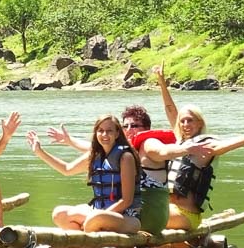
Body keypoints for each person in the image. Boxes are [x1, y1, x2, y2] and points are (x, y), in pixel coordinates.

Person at [46, 66, 213, 234]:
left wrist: (184, 149)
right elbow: (93, 150)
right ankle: (87, 243)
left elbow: (164, 151)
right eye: (125, 126)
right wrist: (68, 141)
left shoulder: (148, 145)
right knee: (61, 213)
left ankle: (97, 240)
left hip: (143, 213)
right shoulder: (117, 151)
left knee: (96, 218)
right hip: (116, 211)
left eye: (134, 126)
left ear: (146, 128)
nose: (129, 130)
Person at [27, 114, 141, 234]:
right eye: (100, 131)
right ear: (96, 133)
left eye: (109, 131)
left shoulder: (125, 157)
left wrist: (100, 215)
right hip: (98, 212)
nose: (104, 135)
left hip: (126, 218)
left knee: (95, 219)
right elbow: (67, 169)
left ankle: (92, 244)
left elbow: (127, 201)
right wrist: (40, 152)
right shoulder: (94, 156)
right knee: (59, 214)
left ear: (117, 134)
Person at [165, 106, 244, 231]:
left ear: (199, 123)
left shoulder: (206, 144)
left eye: (190, 120)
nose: (185, 124)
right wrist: (162, 86)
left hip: (185, 215)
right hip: (171, 211)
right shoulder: (181, 144)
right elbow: (171, 111)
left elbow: (223, 146)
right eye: (182, 121)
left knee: (147, 213)